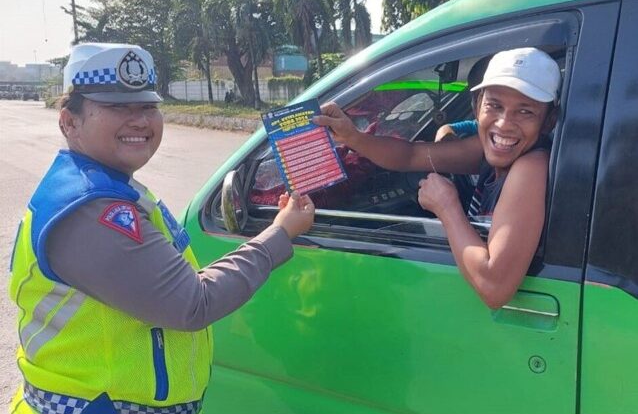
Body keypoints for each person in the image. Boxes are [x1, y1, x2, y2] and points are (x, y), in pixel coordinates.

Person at [9, 43, 315, 414]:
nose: (139, 120)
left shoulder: (103, 187)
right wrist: (279, 234)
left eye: (148, 106)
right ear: (69, 121)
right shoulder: (89, 207)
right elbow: (192, 303)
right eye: (117, 107)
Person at [315, 47, 560, 309]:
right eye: (495, 105)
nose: (503, 123)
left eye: (525, 112)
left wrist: (447, 207)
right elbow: (411, 156)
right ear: (477, 106)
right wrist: (354, 138)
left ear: (548, 121)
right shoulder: (492, 151)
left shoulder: (530, 167)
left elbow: (495, 287)